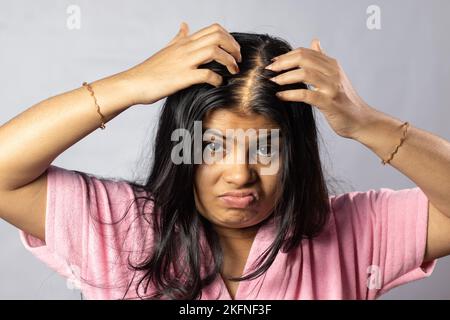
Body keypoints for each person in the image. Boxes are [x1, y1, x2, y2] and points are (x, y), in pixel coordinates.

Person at [0, 22, 449, 300]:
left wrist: (366, 121)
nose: (239, 173)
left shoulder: (355, 235)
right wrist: (131, 84)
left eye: (266, 149)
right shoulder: (118, 228)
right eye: (212, 146)